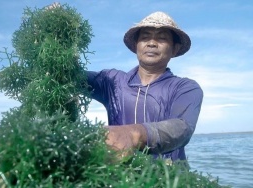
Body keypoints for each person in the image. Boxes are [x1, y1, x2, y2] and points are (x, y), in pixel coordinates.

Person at [87, 12, 203, 162]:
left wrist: (133, 134)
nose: (152, 43)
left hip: (168, 178)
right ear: (136, 45)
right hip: (121, 175)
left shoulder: (185, 88)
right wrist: (55, 30)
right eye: (145, 37)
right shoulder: (112, 81)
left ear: (175, 48)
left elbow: (182, 127)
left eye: (162, 38)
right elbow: (69, 75)